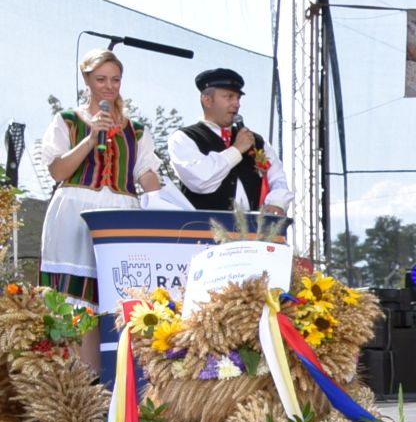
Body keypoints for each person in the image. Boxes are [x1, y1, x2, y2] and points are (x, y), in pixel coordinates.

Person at [41, 49, 160, 370]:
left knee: (113, 297)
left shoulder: (136, 130)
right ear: (87, 80)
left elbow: (147, 176)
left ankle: (110, 381)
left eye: (115, 80)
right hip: (74, 215)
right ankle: (73, 379)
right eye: (101, 79)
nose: (109, 86)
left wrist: (165, 208)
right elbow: (58, 171)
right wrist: (92, 137)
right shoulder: (68, 120)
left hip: (121, 217)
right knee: (74, 301)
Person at [168, 68, 293, 214]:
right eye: (229, 97)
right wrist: (236, 150)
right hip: (203, 226)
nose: (236, 103)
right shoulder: (184, 138)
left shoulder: (257, 141)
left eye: (238, 98)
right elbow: (200, 180)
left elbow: (277, 179)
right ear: (207, 100)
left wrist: (277, 203)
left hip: (253, 225)